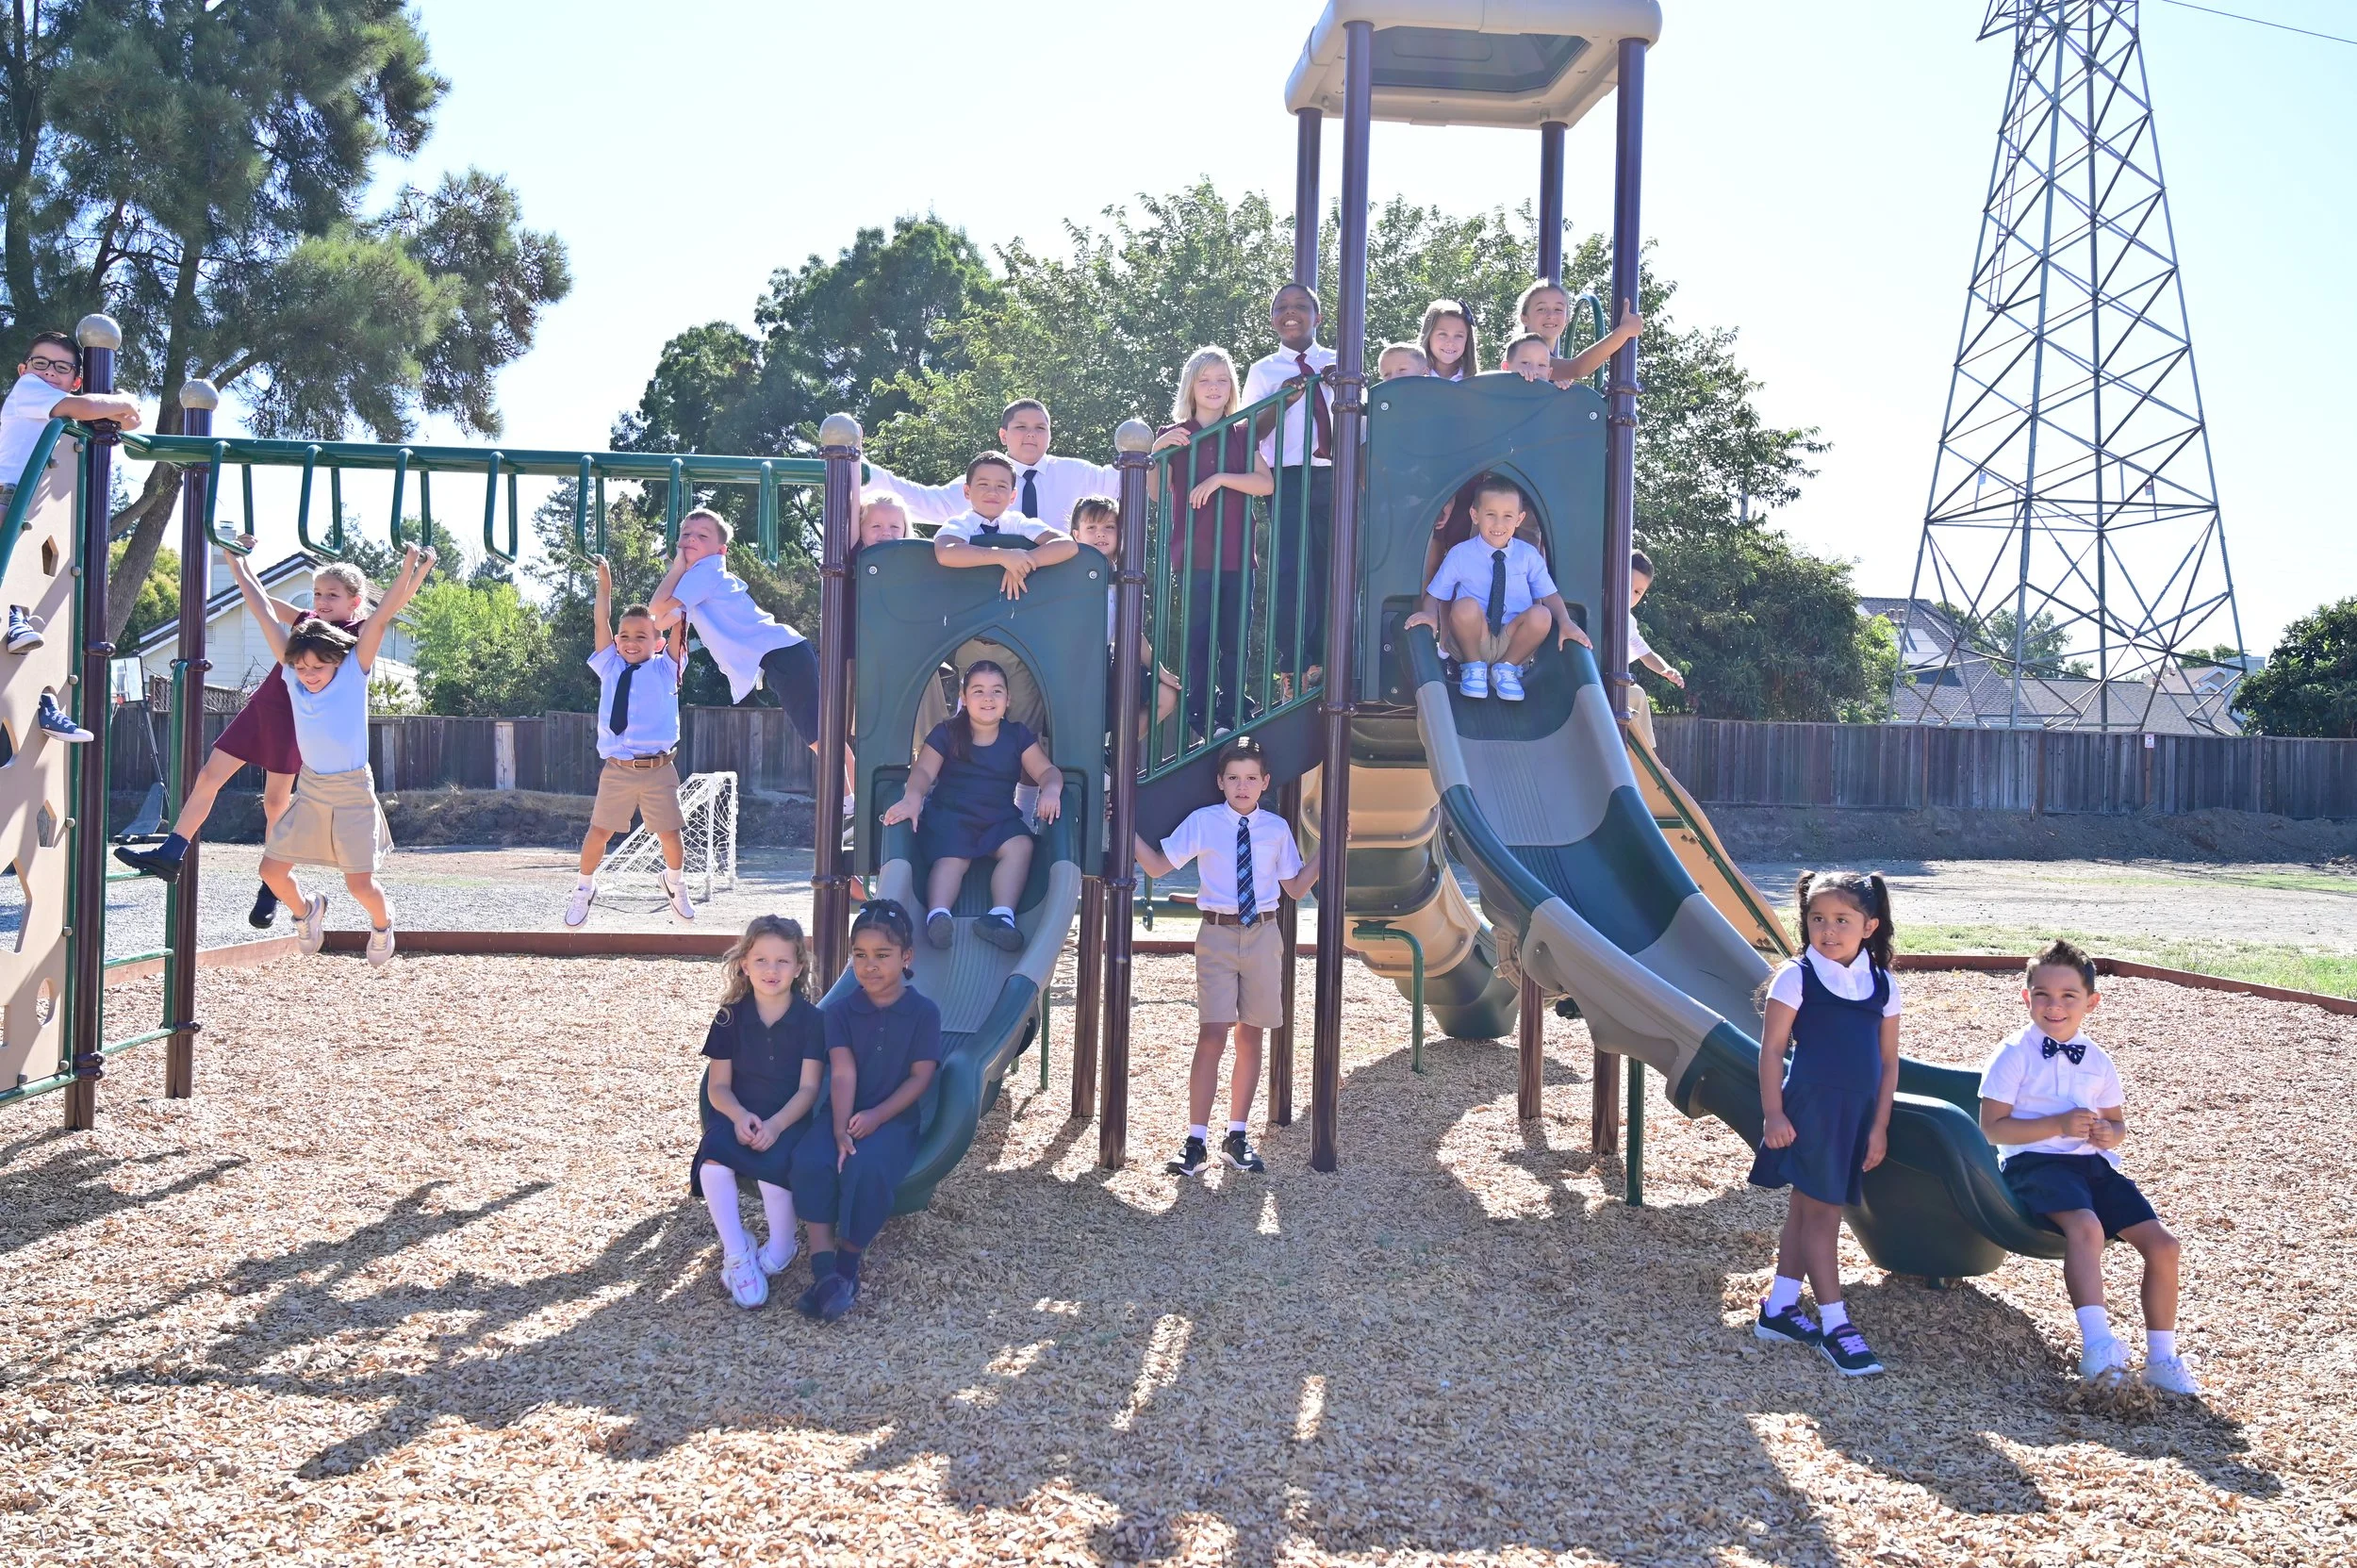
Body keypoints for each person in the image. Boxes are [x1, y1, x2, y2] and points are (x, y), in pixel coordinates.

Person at [114, 552, 378, 928]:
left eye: (332, 595)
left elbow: (377, 628)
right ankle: (173, 851)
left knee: (275, 803)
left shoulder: (357, 635)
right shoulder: (307, 620)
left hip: (300, 722)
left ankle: (271, 887)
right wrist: (238, 563)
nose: (321, 602)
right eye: (317, 594)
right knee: (208, 776)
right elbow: (263, 603)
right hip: (264, 706)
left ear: (354, 601)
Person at [1980, 939, 2196, 1394]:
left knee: (2164, 1245)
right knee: (2087, 1227)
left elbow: (2117, 1125)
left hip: (2092, 1167)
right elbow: (1993, 1129)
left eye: (2068, 997)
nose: (2054, 1006)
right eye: (2042, 994)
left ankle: (2161, 1356)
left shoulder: (2097, 1059)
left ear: (2091, 1003)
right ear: (2026, 997)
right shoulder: (2013, 1053)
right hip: (2035, 1165)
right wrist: (2056, 1123)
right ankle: (2098, 1345)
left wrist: (2107, 1134)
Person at [232, 541, 435, 966]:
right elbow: (260, 608)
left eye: (316, 668)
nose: (308, 675)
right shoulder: (292, 676)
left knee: (360, 885)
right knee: (270, 871)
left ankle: (382, 924)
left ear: (337, 662)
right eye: (301, 668)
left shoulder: (352, 673)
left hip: (352, 792)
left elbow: (382, 617)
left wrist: (410, 567)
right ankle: (307, 911)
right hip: (312, 789)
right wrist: (236, 559)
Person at [1131, 734, 1319, 1178]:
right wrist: (1124, 826)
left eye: (1251, 778)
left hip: (1263, 934)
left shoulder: (1276, 829)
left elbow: (1294, 887)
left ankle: (1237, 1135)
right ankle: (1194, 1139)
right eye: (1233, 778)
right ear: (1220, 782)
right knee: (1212, 1034)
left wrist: (1330, 850)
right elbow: (1159, 866)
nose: (1242, 786)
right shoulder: (1204, 821)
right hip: (1216, 935)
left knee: (1251, 1036)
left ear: (1265, 782)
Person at [1749, 868, 1903, 1378]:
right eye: (1818, 919)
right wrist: (1773, 1113)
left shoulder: (1883, 984)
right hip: (1810, 1112)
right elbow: (1772, 1051)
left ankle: (1780, 1309)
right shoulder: (1797, 977)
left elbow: (1888, 1063)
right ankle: (1837, 1326)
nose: (1828, 930)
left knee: (1806, 1208)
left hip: (1856, 1116)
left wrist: (1879, 1125)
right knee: (1822, 1216)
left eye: (1842, 920)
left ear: (1870, 925)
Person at [790, 899, 942, 1321]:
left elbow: (920, 1077)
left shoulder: (923, 1013)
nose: (869, 965)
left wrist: (876, 1117)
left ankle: (846, 1265)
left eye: (882, 955)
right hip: (842, 1112)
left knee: (867, 1169)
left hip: (893, 1120)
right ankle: (824, 1272)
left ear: (906, 957)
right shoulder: (839, 1012)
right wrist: (840, 1129)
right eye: (859, 955)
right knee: (812, 1160)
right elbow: (841, 1073)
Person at [2, 330, 142, 734]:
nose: (48, 372)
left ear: (75, 377)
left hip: (44, 507)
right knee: (16, 561)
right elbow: (85, 407)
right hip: (9, 495)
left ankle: (46, 702)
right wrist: (123, 403)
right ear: (24, 369)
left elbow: (96, 413)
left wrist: (116, 413)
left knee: (56, 592)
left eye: (61, 368)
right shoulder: (29, 390)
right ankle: (13, 617)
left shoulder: (63, 416)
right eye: (41, 363)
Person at [882, 659, 1063, 952]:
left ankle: (1000, 916)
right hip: (951, 816)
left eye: (996, 691)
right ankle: (938, 915)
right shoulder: (947, 732)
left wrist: (1051, 790)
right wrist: (913, 798)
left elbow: (1047, 771)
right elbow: (924, 771)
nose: (988, 698)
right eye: (978, 691)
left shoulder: (1017, 735)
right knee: (954, 858)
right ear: (963, 699)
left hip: (997, 818)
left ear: (1008, 699)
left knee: (1021, 847)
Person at [693, 915, 825, 1310]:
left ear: (799, 967)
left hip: (787, 1120)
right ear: (744, 964)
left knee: (774, 1177)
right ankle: (736, 1252)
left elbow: (808, 1088)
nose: (771, 970)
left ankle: (779, 1252)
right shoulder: (729, 1016)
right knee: (713, 1165)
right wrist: (738, 1117)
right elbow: (717, 1087)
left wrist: (776, 1124)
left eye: (783, 961)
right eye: (761, 960)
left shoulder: (812, 1020)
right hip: (736, 1114)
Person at [1148, 346, 1273, 738]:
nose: (1214, 387)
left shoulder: (1241, 431)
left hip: (1238, 556)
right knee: (1199, 640)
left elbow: (1264, 483)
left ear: (1232, 387)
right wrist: (1155, 453)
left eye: (1222, 380)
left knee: (1235, 640)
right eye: (1205, 380)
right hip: (1193, 557)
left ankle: (1232, 712)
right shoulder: (1175, 436)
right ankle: (1200, 718)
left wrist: (1219, 479)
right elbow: (1155, 494)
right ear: (1191, 387)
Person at [568, 555, 695, 928]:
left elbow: (678, 621)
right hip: (619, 769)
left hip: (658, 768)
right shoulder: (610, 665)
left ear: (657, 641)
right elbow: (600, 620)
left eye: (642, 635)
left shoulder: (666, 666)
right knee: (598, 833)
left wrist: (681, 572)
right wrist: (604, 583)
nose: (630, 641)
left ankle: (673, 883)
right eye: (625, 635)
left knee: (670, 836)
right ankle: (584, 888)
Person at [647, 507, 821, 750]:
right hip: (784, 653)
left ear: (721, 551)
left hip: (783, 653)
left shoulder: (706, 571)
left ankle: (848, 789)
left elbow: (656, 607)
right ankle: (850, 788)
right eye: (686, 534)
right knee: (820, 735)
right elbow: (660, 620)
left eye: (703, 536)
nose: (692, 539)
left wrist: (676, 568)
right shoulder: (696, 586)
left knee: (818, 738)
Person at [1403, 473, 1589, 701]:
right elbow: (1435, 593)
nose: (1499, 524)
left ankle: (1506, 669)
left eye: (1507, 516)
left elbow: (1549, 596)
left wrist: (1566, 622)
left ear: (1519, 519)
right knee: (1465, 606)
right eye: (1490, 514)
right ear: (1475, 515)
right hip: (1472, 639)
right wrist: (1430, 615)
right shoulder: (1461, 554)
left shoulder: (1527, 556)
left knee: (1541, 614)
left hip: (1512, 640)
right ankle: (1473, 668)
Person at [1241, 284, 1338, 678]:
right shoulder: (1264, 371)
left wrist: (1345, 383)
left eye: (1301, 306)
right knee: (1291, 567)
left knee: (1333, 565)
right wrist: (1280, 402)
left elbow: (1364, 419)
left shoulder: (1339, 361)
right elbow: (1249, 432)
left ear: (1319, 317)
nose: (1291, 312)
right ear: (1272, 320)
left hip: (1337, 474)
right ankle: (1293, 666)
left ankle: (1330, 658)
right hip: (1288, 476)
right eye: (1282, 307)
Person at [865, 398, 1117, 529]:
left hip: (1058, 599)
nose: (1031, 434)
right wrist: (860, 470)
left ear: (1050, 435)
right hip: (996, 599)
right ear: (1003, 435)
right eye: (1021, 427)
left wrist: (1157, 449)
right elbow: (923, 501)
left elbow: (1127, 478)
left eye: (1040, 428)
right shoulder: (983, 482)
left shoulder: (1076, 474)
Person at [1068, 495, 1178, 737]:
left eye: (1109, 527)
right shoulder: (1067, 573)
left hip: (1108, 661)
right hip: (1073, 665)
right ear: (1076, 534)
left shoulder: (1123, 578)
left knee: (1166, 694)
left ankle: (1114, 755)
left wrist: (1160, 672)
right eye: (1091, 528)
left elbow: (1131, 633)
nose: (1101, 534)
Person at [1510, 280, 1644, 388]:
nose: (1550, 315)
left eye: (1558, 309)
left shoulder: (1551, 368)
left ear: (1567, 319)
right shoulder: (1521, 352)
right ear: (1524, 317)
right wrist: (1624, 331)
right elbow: (1577, 368)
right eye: (1541, 309)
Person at [1625, 548, 1686, 746]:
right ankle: (1646, 759)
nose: (1630, 594)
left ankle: (1649, 758)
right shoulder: (1595, 607)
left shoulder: (1628, 623)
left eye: (1637, 592)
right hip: (1593, 687)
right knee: (1636, 696)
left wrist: (1666, 670)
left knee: (1637, 694)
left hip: (1608, 688)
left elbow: (1646, 654)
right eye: (1628, 585)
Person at [1418, 299, 1479, 383]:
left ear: (1467, 340)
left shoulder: (1476, 384)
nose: (1450, 343)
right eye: (1443, 334)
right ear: (1428, 336)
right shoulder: (1412, 377)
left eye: (1458, 336)